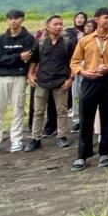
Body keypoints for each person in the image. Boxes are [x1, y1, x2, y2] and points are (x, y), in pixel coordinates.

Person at [69, 8, 108, 171]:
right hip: (89, 80)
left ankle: (105, 153)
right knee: (86, 118)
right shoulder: (85, 40)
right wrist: (83, 72)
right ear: (97, 19)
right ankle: (82, 156)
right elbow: (74, 62)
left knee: (107, 117)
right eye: (106, 18)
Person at [0, 9, 37, 155]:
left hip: (19, 76)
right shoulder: (0, 39)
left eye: (17, 18)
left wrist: (13, 58)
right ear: (7, 20)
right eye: (10, 18)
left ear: (22, 20)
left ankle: (17, 139)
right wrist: (18, 56)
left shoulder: (28, 39)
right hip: (1, 77)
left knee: (18, 108)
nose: (13, 21)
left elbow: (29, 57)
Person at [26, 15, 74, 152]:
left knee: (62, 110)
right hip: (42, 81)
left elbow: (73, 62)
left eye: (60, 24)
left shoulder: (67, 43)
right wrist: (30, 74)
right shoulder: (40, 43)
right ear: (47, 26)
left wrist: (70, 78)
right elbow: (34, 61)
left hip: (61, 81)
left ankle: (62, 136)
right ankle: (35, 138)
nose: (58, 27)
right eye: (55, 24)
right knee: (38, 111)